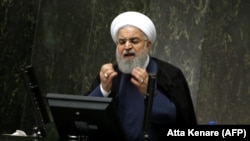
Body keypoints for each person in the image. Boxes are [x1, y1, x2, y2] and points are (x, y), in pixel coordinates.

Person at [86, 11, 197, 141]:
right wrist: (103, 89)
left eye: (134, 40)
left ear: (147, 45)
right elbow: (85, 115)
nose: (127, 46)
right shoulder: (110, 75)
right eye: (122, 42)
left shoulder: (170, 75)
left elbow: (175, 119)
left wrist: (149, 92)